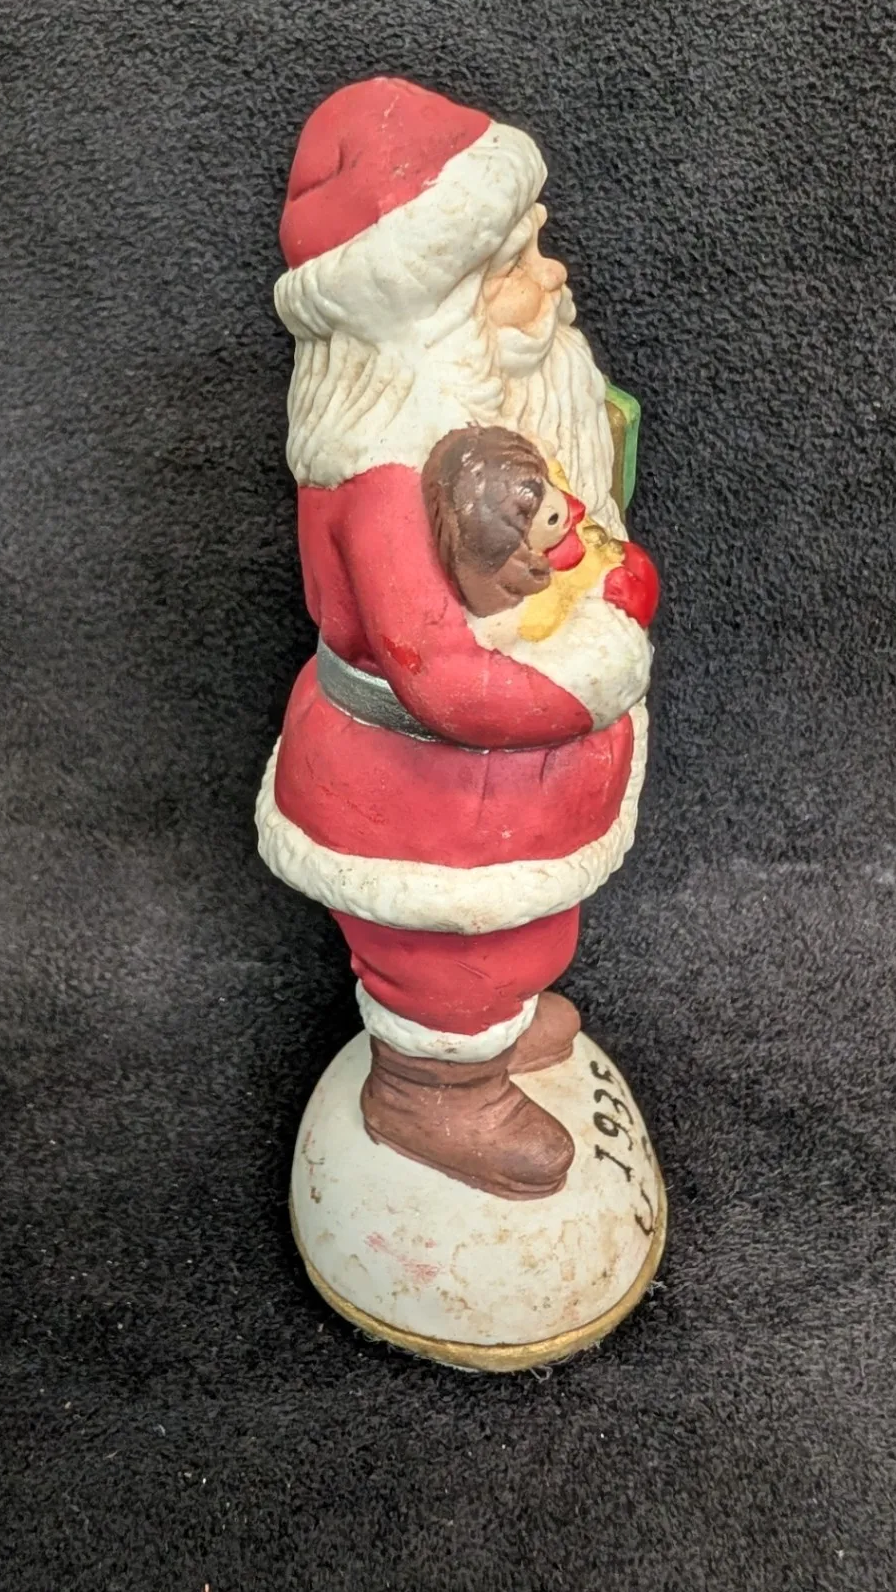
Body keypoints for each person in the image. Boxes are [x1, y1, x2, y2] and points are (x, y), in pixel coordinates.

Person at [257, 77, 659, 1200]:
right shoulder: (389, 478)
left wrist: (600, 581)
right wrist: (593, 675)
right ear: (429, 313)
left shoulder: (487, 428)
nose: (552, 278)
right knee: (446, 958)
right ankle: (433, 1093)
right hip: (427, 795)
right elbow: (439, 675)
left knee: (516, 942)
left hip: (512, 786)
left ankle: (491, 1032)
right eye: (516, 263)